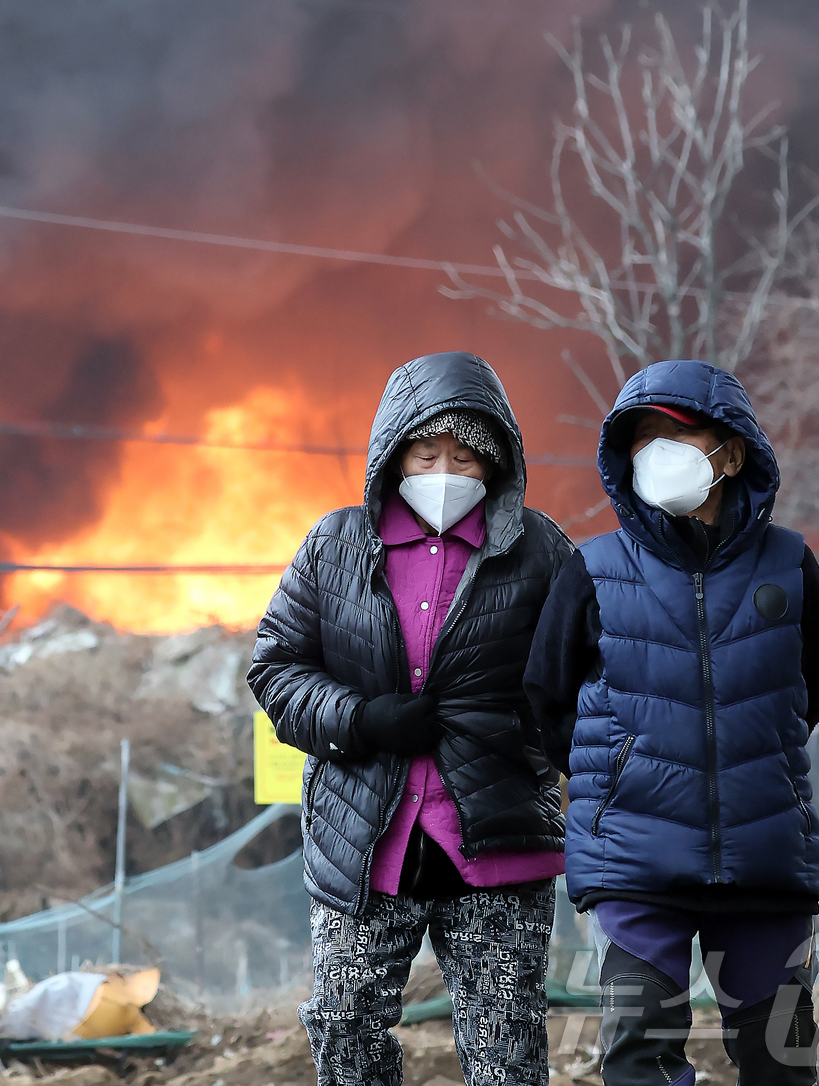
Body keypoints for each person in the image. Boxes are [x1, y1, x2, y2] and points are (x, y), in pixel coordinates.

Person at [249, 350, 572, 1086]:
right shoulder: (334, 546)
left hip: (497, 841)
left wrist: (537, 748)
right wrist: (361, 719)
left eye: (465, 457)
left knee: (507, 1048)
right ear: (393, 457)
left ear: (496, 466)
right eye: (427, 454)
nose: (445, 472)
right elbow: (275, 667)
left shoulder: (542, 553)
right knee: (343, 1026)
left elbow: (586, 679)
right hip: (365, 841)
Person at [523, 360, 819, 1086]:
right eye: (642, 437)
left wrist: (747, 765)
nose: (656, 450)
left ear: (730, 453)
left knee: (782, 1059)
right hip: (635, 862)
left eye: (678, 433)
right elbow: (546, 702)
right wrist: (625, 770)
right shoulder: (593, 569)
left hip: (765, 860)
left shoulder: (789, 565)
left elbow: (809, 691)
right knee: (639, 1057)